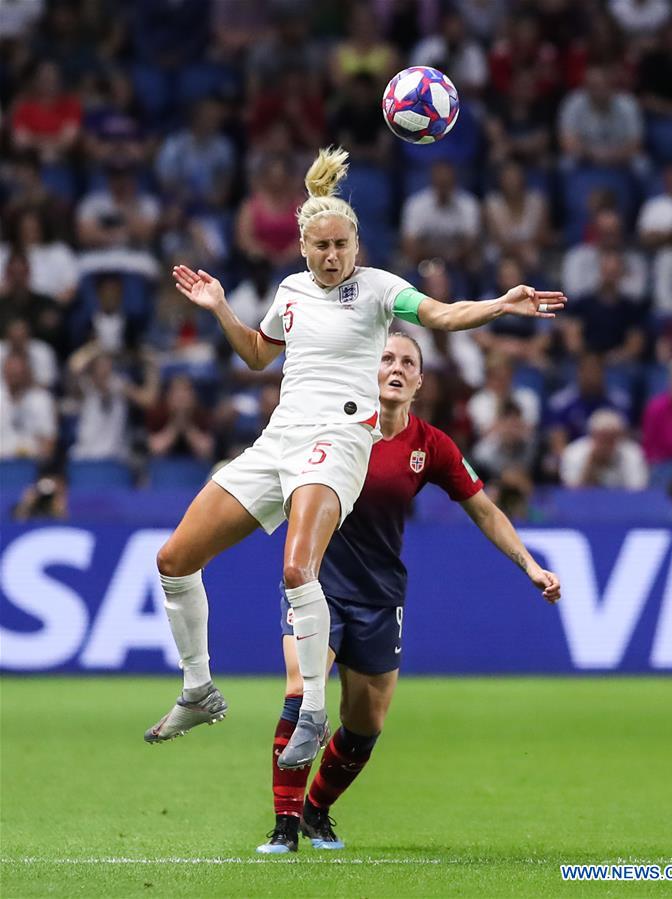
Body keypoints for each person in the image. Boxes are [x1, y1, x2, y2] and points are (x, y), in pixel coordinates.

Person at [145, 147, 566, 770]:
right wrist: (221, 312)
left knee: (297, 571)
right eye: (322, 246)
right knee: (174, 559)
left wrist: (499, 305)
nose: (333, 255)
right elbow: (260, 357)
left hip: (338, 441)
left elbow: (442, 315)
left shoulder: (376, 290)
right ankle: (198, 689)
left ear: (357, 245)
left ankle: (312, 710)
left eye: (343, 244)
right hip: (280, 439)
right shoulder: (289, 292)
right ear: (304, 248)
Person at [258, 334, 561, 854]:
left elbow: (484, 509)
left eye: (407, 363)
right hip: (318, 585)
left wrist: (529, 564)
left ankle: (315, 812)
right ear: (366, 370)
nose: (396, 368)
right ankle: (283, 827)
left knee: (365, 724)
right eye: (385, 359)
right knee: (302, 692)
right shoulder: (330, 426)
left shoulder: (431, 445)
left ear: (420, 382)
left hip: (380, 595)